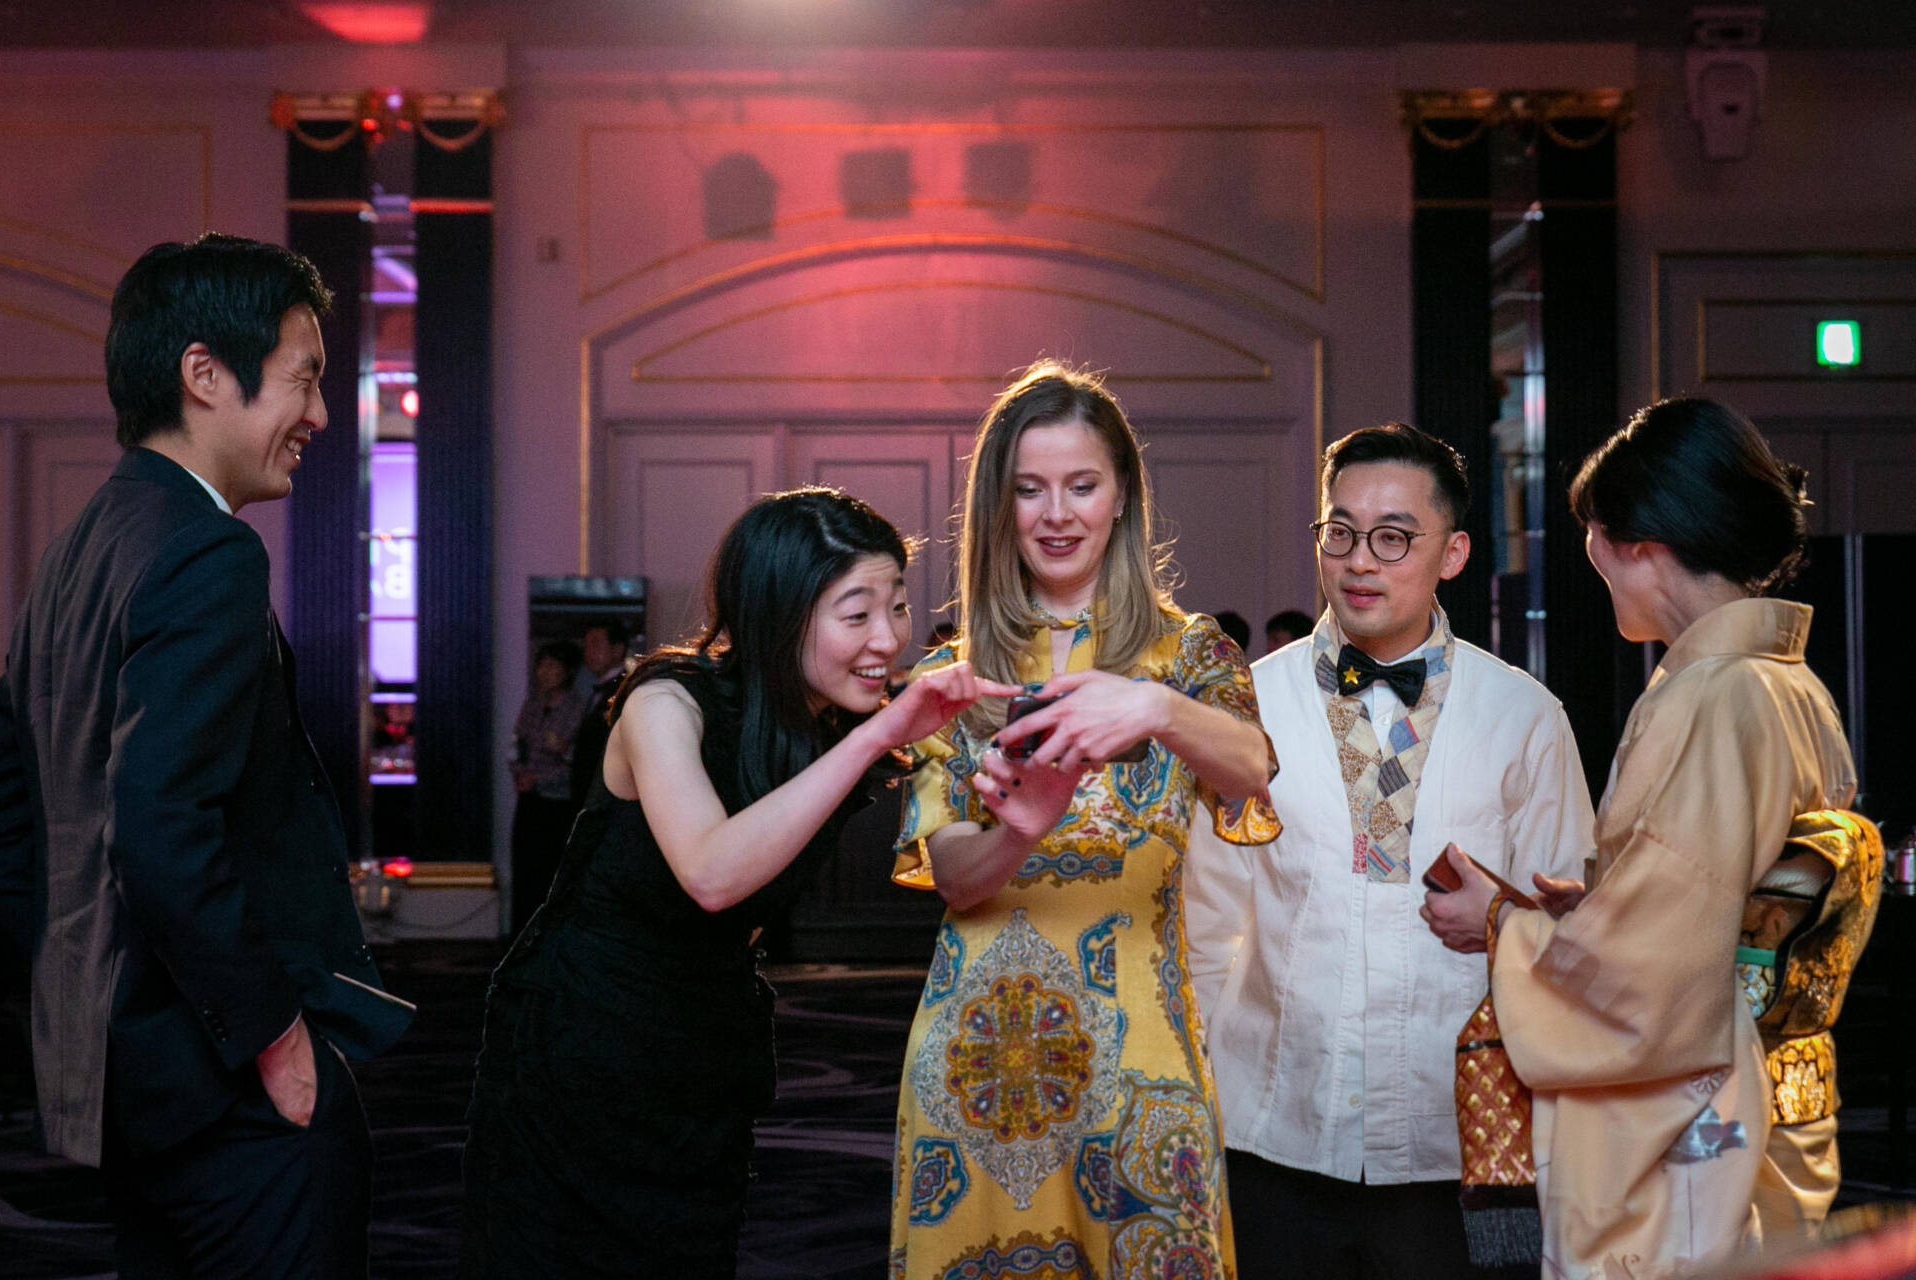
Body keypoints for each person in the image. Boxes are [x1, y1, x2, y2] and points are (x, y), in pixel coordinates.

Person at [463, 487, 1017, 1279]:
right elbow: (711, 875)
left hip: (701, 1044)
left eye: (896, 607)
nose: (889, 638)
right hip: (581, 1044)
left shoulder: (832, 722)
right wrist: (880, 736)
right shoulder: (666, 701)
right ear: (777, 612)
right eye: (856, 614)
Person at [0, 234, 413, 1277]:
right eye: (305, 378)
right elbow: (161, 823)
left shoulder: (83, 541)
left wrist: (70, 1005)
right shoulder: (206, 549)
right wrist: (272, 1035)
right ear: (204, 373)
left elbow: (16, 812)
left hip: (124, 1077)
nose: (319, 415)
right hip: (226, 1085)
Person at [1422, 397, 1859, 1279]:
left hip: (1698, 1108)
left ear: (1647, 549)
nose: (1605, 581)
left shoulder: (1713, 696)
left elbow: (1652, 975)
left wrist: (1505, 929)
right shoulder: (1788, 685)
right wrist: (1598, 906)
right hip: (1768, 1083)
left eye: (1603, 559)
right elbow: (1708, 904)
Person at [886, 362, 1281, 1278]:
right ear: (999, 505)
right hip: (978, 1071)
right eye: (1029, 489)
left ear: (1121, 497)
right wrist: (1020, 830)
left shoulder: (1191, 655)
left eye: (1080, 485)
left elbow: (1255, 774)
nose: (1055, 513)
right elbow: (953, 877)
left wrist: (1156, 710)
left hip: (1142, 1056)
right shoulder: (951, 679)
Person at [1185, 421, 1593, 1280]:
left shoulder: (1524, 716)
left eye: (1393, 537)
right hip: (1275, 1128)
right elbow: (1202, 927)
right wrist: (1202, 1106)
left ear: (1452, 553)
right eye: (1340, 532)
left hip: (1456, 1141)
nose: (1359, 560)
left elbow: (1572, 932)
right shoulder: (1244, 707)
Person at [509, 639, 590, 932]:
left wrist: (541, 777)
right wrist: (519, 773)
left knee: (551, 871)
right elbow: (516, 745)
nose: (545, 672)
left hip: (559, 802)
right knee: (525, 869)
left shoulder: (578, 708)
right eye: (542, 665)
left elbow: (577, 760)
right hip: (529, 797)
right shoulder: (532, 705)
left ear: (567, 671)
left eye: (553, 666)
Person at [567, 618, 631, 807]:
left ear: (618, 649)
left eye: (595, 645)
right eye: (586, 646)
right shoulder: (600, 689)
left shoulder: (624, 690)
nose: (588, 652)